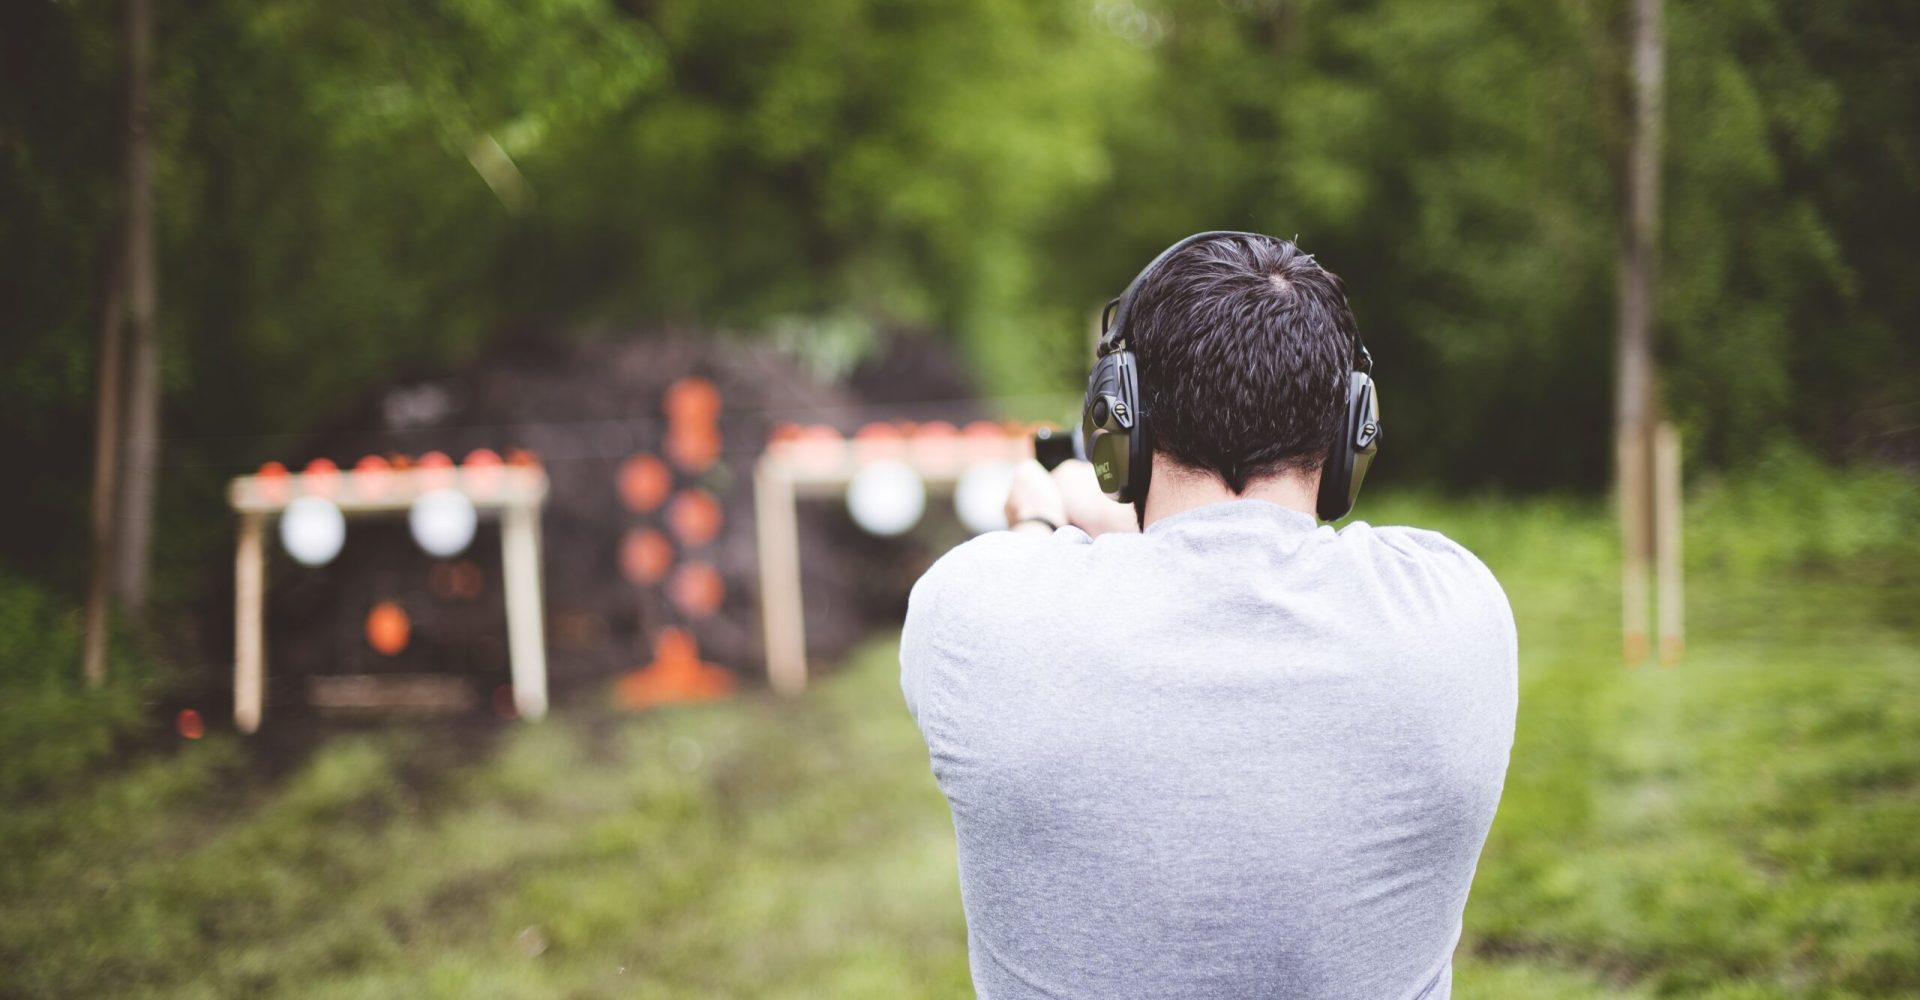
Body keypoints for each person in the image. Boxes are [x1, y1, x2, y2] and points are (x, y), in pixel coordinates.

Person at [900, 232, 1517, 1000]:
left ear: (1116, 426)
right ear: (1349, 429)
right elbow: (1238, 556)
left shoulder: (970, 612)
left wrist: (1044, 519)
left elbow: (1130, 566)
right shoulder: (1458, 610)